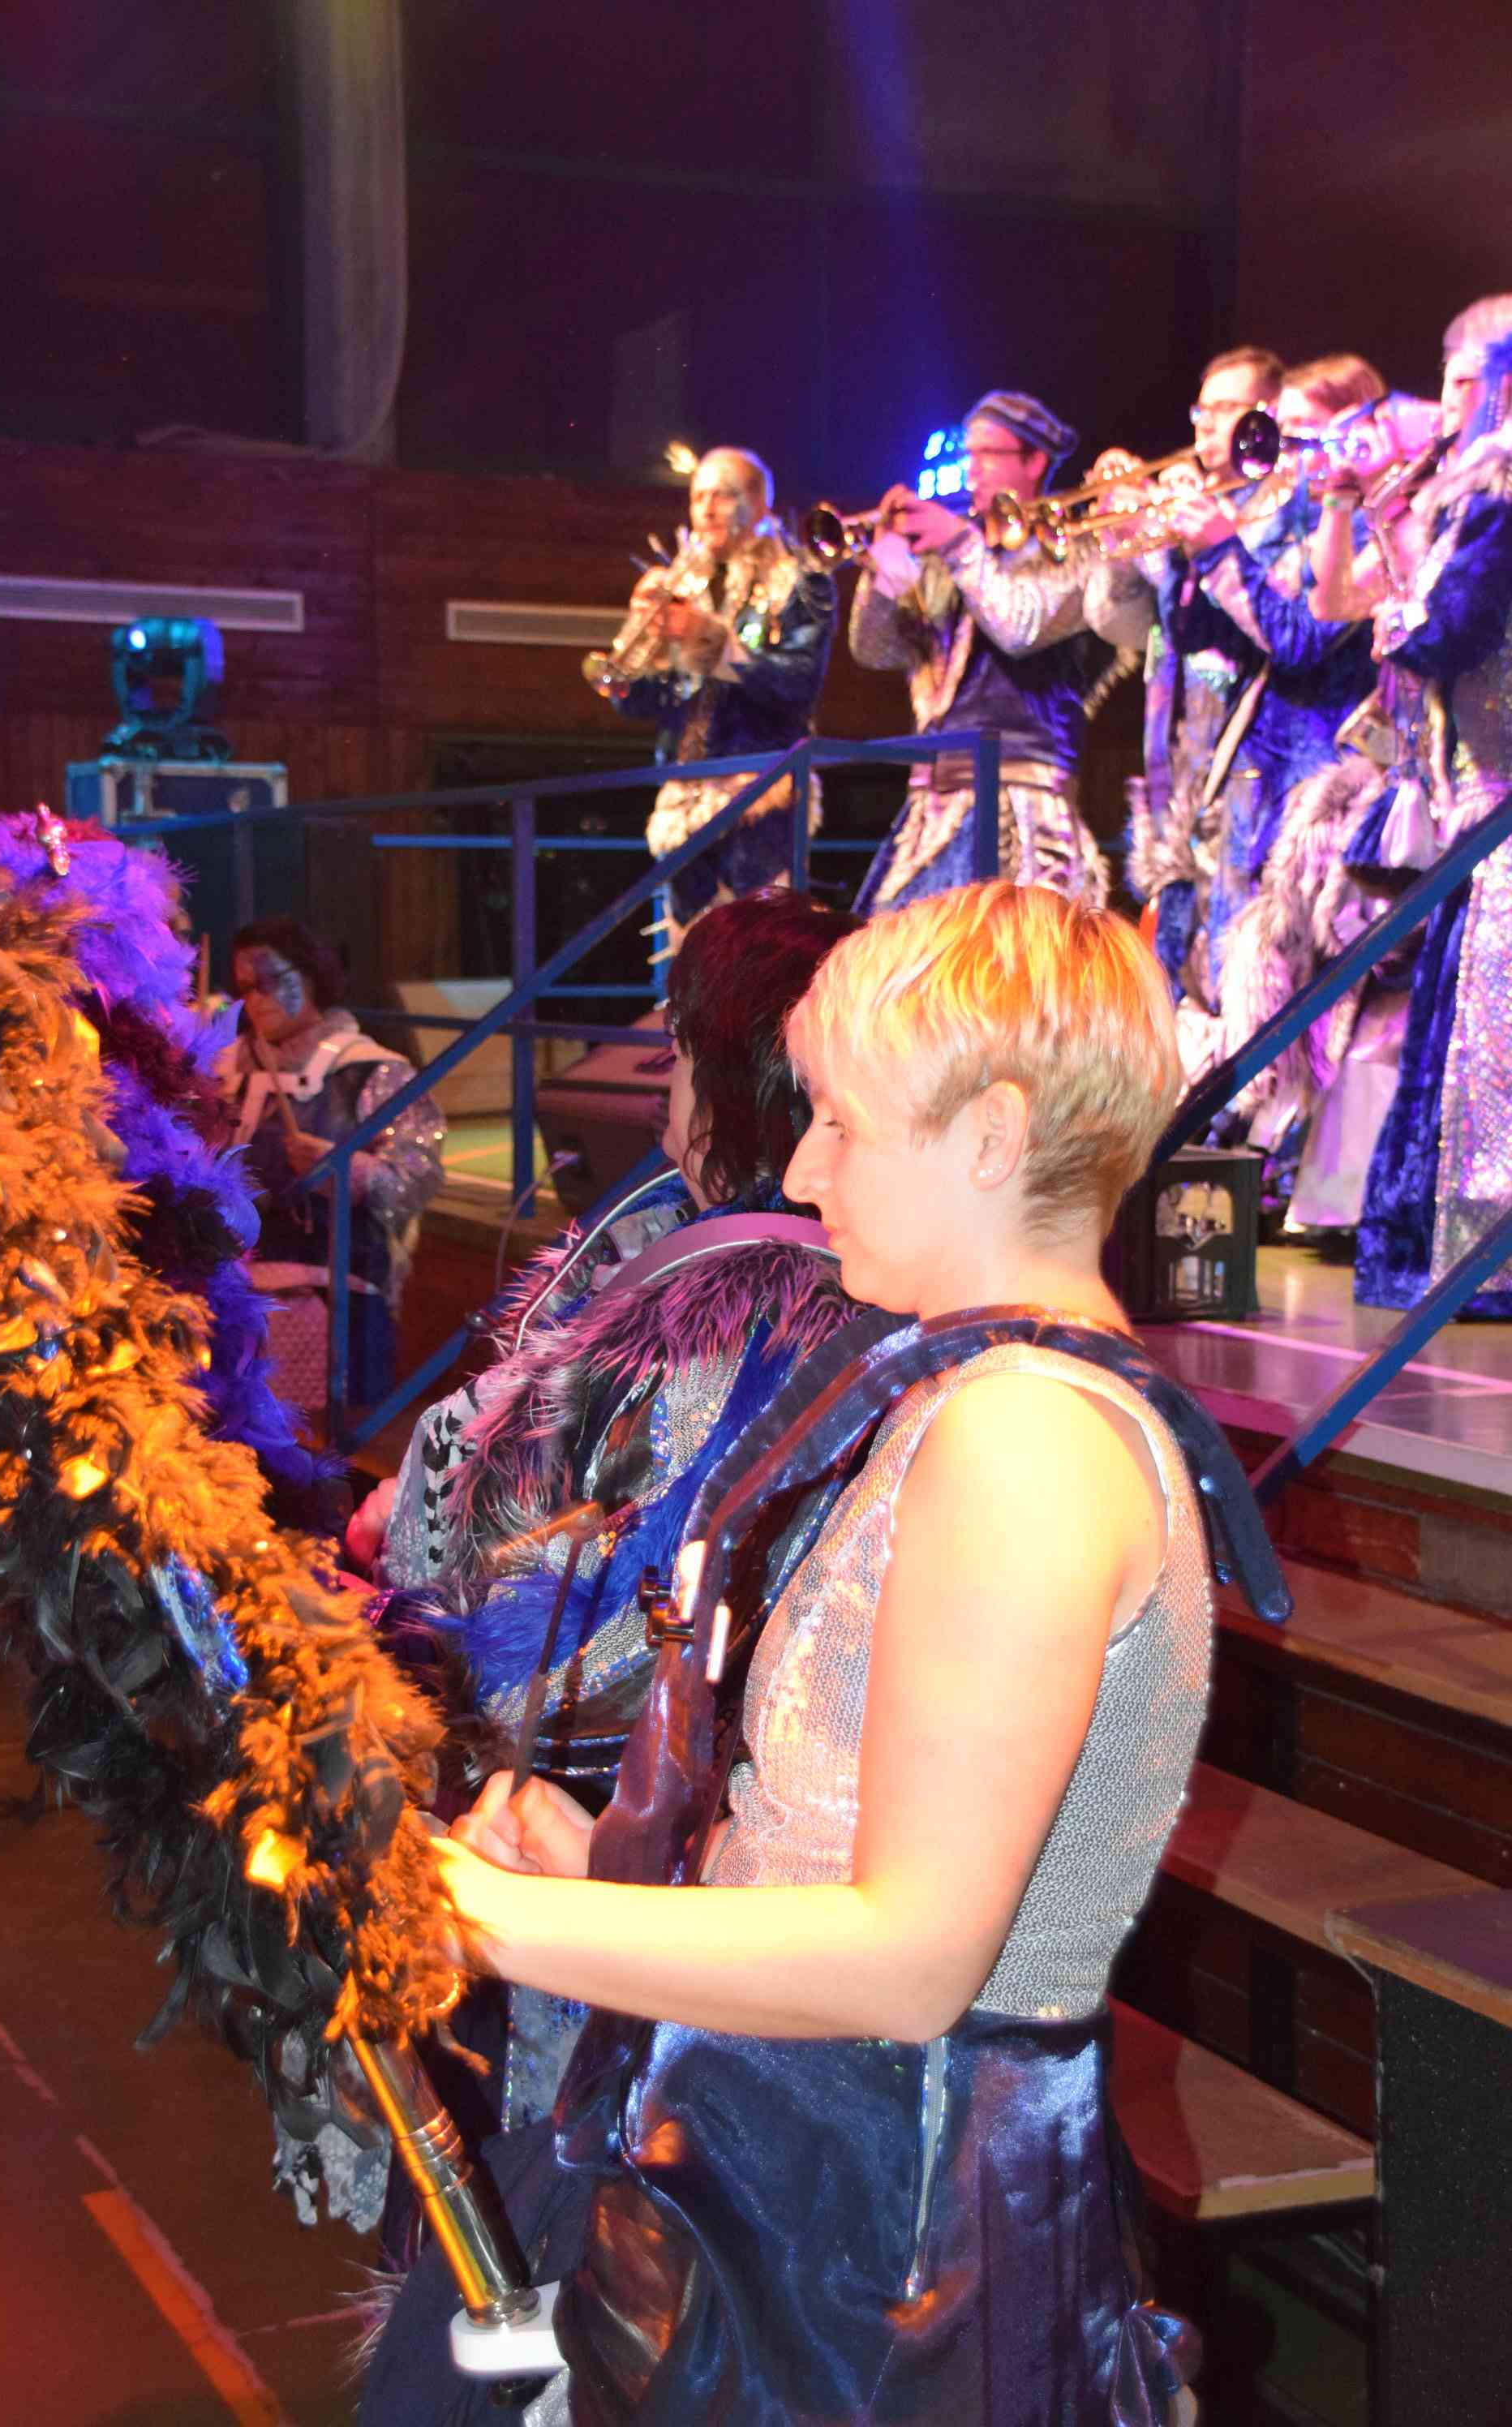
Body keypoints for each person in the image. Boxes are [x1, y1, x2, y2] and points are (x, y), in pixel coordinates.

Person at [366, 881, 1245, 2426]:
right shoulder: (981, 1395)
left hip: (889, 2233)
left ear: (992, 1135)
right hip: (827, 2177)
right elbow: (859, 1850)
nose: (800, 1166)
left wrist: (486, 1915)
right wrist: (611, 1878)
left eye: (843, 1121)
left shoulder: (1028, 1441)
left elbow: (913, 1959)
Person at [300, 891, 858, 2248]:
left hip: (642, 1810)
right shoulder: (729, 1247)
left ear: (734, 1076)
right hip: (680, 1798)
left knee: (592, 2197)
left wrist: (422, 1569)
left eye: (679, 1051)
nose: (662, 1083)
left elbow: (571, 1555)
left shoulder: (736, 1293)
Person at [1109, 346, 1381, 1094]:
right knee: (1204, 974)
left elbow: (1298, 639)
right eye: (1279, 431)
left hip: (1309, 781)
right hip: (1233, 775)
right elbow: (1181, 642)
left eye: (1301, 431)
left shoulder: (1350, 523)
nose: (1282, 447)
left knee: (1286, 999)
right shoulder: (1283, 512)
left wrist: (1220, 546)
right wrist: (1165, 555)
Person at [1352, 298, 1512, 1314]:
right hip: (1478, 814)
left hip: (1500, 814)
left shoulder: (1499, 500)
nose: (1445, 402)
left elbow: (1442, 630)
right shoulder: (1473, 498)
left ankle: (1481, 1256)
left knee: (1486, 1049)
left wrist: (1400, 600)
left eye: (1465, 382)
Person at [849, 389, 1117, 911]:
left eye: (989, 454)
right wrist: (887, 559)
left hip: (1021, 804)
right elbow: (875, 650)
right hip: (931, 805)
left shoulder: (1073, 549)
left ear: (1035, 461)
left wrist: (956, 544)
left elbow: (1020, 626)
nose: (972, 469)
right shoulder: (952, 557)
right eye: (968, 454)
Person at [586, 448, 835, 955]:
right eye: (698, 496)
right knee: (689, 964)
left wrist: (714, 643)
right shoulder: (682, 583)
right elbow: (643, 706)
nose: (707, 508)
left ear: (759, 503)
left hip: (762, 794)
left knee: (761, 955)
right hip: (683, 802)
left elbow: (798, 685)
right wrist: (642, 645)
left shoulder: (801, 580)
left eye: (723, 494)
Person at [219, 917, 445, 1405]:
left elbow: (418, 1175)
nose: (256, 1000)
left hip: (338, 1293)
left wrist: (344, 1168)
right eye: (245, 988)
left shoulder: (371, 1070)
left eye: (269, 982)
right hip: (236, 1289)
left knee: (324, 1439)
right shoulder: (225, 1069)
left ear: (309, 974)